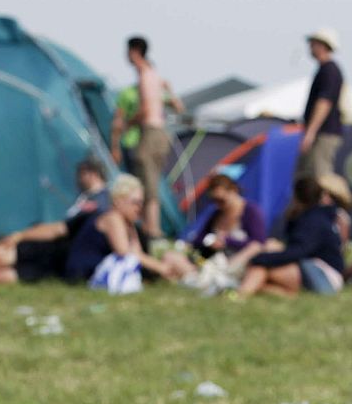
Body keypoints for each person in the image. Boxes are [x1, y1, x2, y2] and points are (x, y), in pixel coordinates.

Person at [0, 175, 186, 286]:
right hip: (52, 252)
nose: (139, 208)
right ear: (119, 200)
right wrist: (21, 235)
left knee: (0, 268)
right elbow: (58, 229)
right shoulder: (108, 217)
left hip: (58, 262)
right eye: (135, 202)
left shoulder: (126, 225)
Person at [119, 36, 185, 235]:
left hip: (150, 132)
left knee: (146, 183)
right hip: (161, 133)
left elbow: (146, 110)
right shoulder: (156, 76)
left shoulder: (145, 76)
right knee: (151, 181)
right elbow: (178, 107)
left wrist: (128, 123)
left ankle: (151, 229)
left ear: (135, 51)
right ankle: (152, 228)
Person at [238, 176, 345, 298]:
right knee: (263, 275)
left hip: (324, 279)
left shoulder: (313, 221)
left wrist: (261, 258)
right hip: (326, 275)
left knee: (261, 265)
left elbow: (298, 251)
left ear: (297, 197)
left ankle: (239, 296)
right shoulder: (318, 216)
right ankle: (288, 295)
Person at [170, 174, 267, 271]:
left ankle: (225, 273)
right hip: (214, 259)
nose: (218, 204)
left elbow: (259, 243)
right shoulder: (217, 214)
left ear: (234, 191)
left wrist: (227, 241)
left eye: (221, 200)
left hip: (240, 260)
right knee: (171, 257)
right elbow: (199, 238)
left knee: (254, 247)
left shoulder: (251, 212)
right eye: (214, 200)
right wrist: (210, 241)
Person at [298, 28, 345, 180]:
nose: (310, 47)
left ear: (323, 45)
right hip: (322, 132)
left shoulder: (329, 71)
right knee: (309, 176)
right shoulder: (326, 69)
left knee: (321, 177)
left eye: (313, 43)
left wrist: (310, 132)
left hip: (324, 134)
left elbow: (324, 102)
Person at [109, 85, 142, 172]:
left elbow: (178, 108)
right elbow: (117, 122)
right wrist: (115, 148)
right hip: (131, 144)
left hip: (148, 145)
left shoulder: (155, 92)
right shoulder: (128, 93)